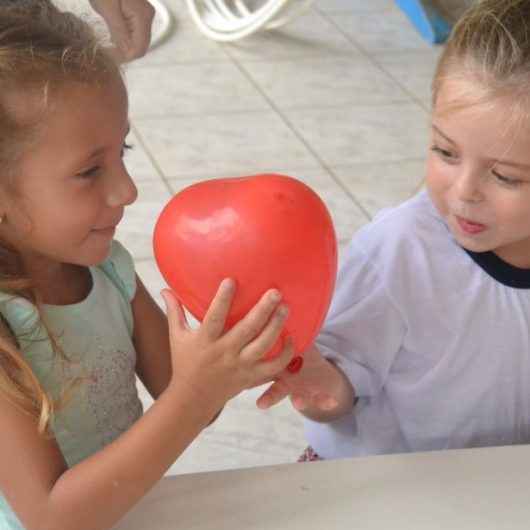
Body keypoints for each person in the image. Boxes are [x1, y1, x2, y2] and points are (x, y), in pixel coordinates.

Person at [0, 4, 294, 530]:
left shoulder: (108, 271)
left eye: (124, 152)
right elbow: (49, 517)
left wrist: (240, 352)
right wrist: (194, 394)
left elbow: (191, 399)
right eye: (90, 171)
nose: (127, 191)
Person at [258, 0, 530, 462]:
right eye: (445, 152)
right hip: (384, 493)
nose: (464, 191)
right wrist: (322, 384)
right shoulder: (397, 252)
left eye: (505, 176)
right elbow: (340, 388)